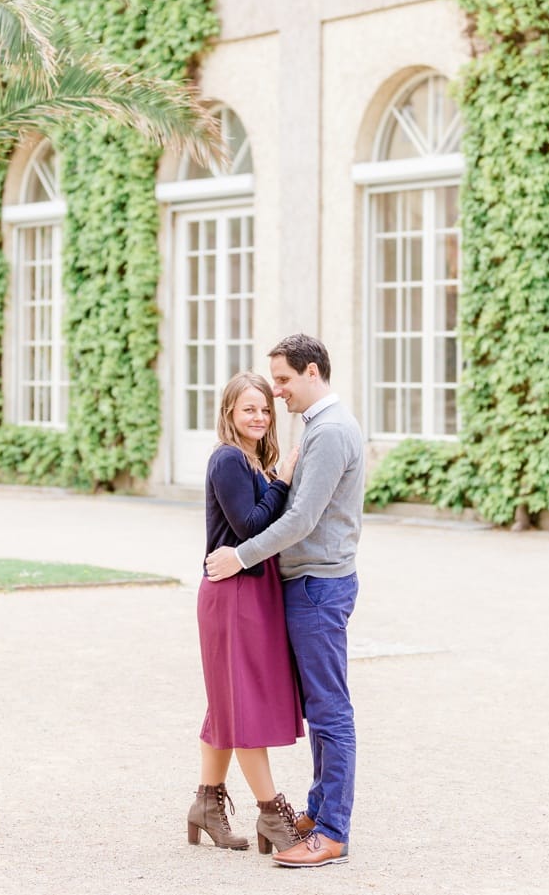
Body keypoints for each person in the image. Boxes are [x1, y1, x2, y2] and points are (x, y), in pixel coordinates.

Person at [205, 334, 365, 869]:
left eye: (282, 381)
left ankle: (332, 832)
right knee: (319, 708)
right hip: (306, 585)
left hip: (318, 585)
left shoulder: (331, 431)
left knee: (330, 710)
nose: (276, 394)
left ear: (313, 372)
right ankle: (318, 815)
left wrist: (240, 557)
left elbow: (301, 520)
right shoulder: (315, 428)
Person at [189, 371, 307, 855]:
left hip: (250, 594)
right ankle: (272, 814)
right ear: (229, 414)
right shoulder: (229, 459)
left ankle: (206, 803)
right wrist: (282, 481)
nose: (259, 417)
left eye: (264, 409)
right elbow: (249, 526)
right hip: (232, 596)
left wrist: (274, 476)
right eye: (248, 410)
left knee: (229, 701)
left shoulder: (254, 460)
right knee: (243, 706)